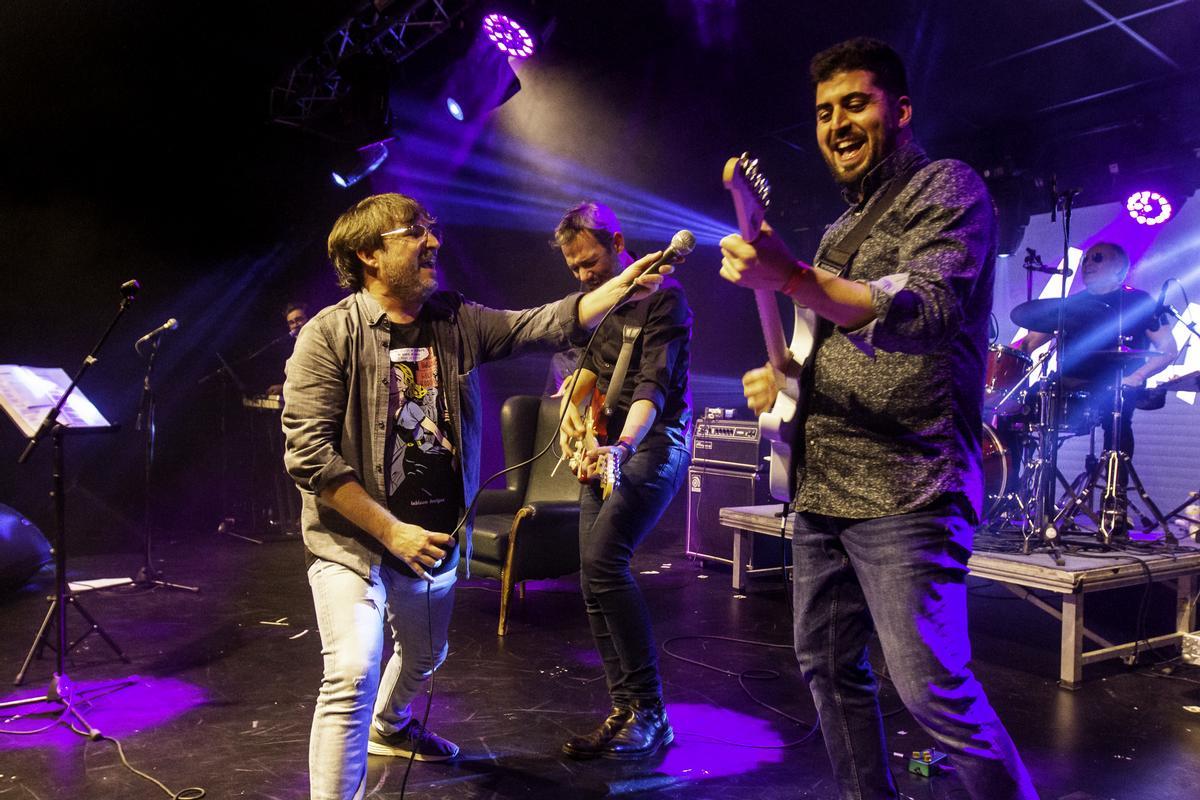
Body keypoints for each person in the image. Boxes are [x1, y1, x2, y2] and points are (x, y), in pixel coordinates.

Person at [718, 38, 1037, 799]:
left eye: (855, 104)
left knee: (932, 691)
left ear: (899, 110)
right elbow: (825, 342)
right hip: (823, 488)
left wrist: (791, 275)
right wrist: (783, 378)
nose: (837, 123)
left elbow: (919, 309)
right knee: (827, 669)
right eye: (824, 112)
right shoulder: (836, 233)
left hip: (909, 487)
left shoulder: (947, 188)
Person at [281, 192, 671, 799]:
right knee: (352, 672)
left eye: (430, 229)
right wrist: (391, 532)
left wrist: (620, 286)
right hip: (352, 546)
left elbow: (538, 323)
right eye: (414, 232)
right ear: (369, 256)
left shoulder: (454, 320)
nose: (433, 240)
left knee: (425, 658)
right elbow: (311, 457)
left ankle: (392, 724)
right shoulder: (327, 336)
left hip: (434, 543)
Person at [553, 201, 692, 760]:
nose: (585, 276)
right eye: (575, 271)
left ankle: (652, 713)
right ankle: (627, 709)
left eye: (590, 262)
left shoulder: (665, 297)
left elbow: (651, 389)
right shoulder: (606, 308)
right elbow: (590, 369)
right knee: (592, 576)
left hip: (653, 442)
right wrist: (573, 416)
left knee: (605, 561)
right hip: (607, 444)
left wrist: (622, 446)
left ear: (616, 240)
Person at [1016, 242, 1177, 457]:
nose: (1088, 263)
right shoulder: (1072, 304)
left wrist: (1138, 376)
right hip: (1067, 383)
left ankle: (1114, 487)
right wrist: (998, 358)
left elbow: (1168, 349)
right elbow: (1029, 343)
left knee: (1117, 426)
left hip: (1117, 384)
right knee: (1014, 413)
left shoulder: (1140, 302)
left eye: (1097, 258)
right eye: (1086, 259)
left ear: (1120, 267)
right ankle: (1011, 484)